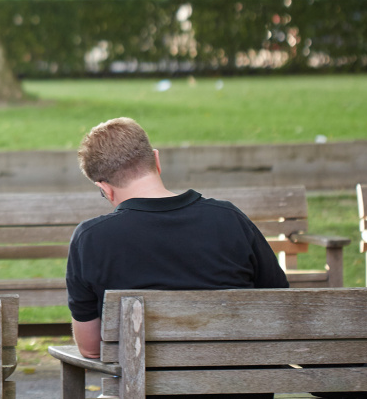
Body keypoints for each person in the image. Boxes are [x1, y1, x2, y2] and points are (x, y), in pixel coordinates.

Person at [66, 117, 289, 366]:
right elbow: (281, 303)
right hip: (243, 388)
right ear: (157, 161)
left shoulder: (91, 239)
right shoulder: (229, 219)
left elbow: (91, 349)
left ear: (105, 189)